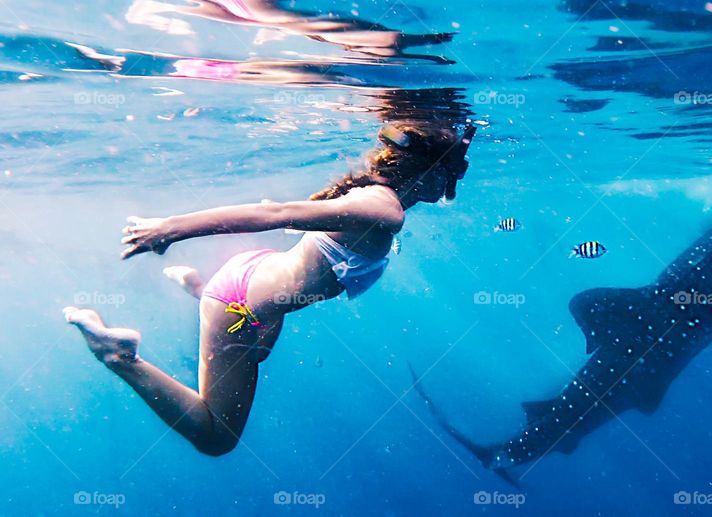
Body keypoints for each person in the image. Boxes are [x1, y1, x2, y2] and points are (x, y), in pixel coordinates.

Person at [63, 122, 476, 455]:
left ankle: (199, 289)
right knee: (216, 438)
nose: (452, 187)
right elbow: (275, 213)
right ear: (432, 170)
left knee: (258, 350)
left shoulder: (374, 197)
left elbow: (296, 219)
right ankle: (118, 356)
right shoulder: (382, 208)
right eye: (453, 173)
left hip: (254, 287)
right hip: (237, 304)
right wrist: (172, 228)